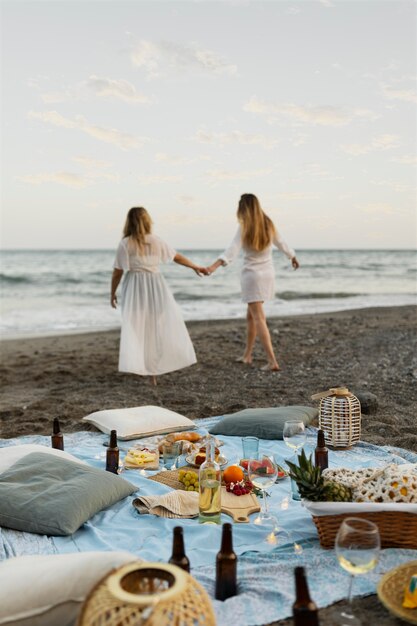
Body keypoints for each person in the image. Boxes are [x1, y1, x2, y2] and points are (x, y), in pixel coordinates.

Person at [111, 206, 207, 384]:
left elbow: (117, 272)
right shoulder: (156, 241)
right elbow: (177, 257)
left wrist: (112, 293)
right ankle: (153, 372)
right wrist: (195, 266)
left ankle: (142, 366)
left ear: (129, 222)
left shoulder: (125, 243)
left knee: (137, 327)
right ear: (147, 221)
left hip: (135, 287)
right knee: (155, 326)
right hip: (156, 285)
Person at [206, 193, 299, 371]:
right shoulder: (268, 223)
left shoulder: (245, 226)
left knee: (258, 317)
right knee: (252, 316)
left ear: (243, 208)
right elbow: (282, 243)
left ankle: (272, 361)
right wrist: (292, 256)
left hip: (252, 276)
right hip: (267, 275)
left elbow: (231, 251)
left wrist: (213, 267)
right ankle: (247, 355)